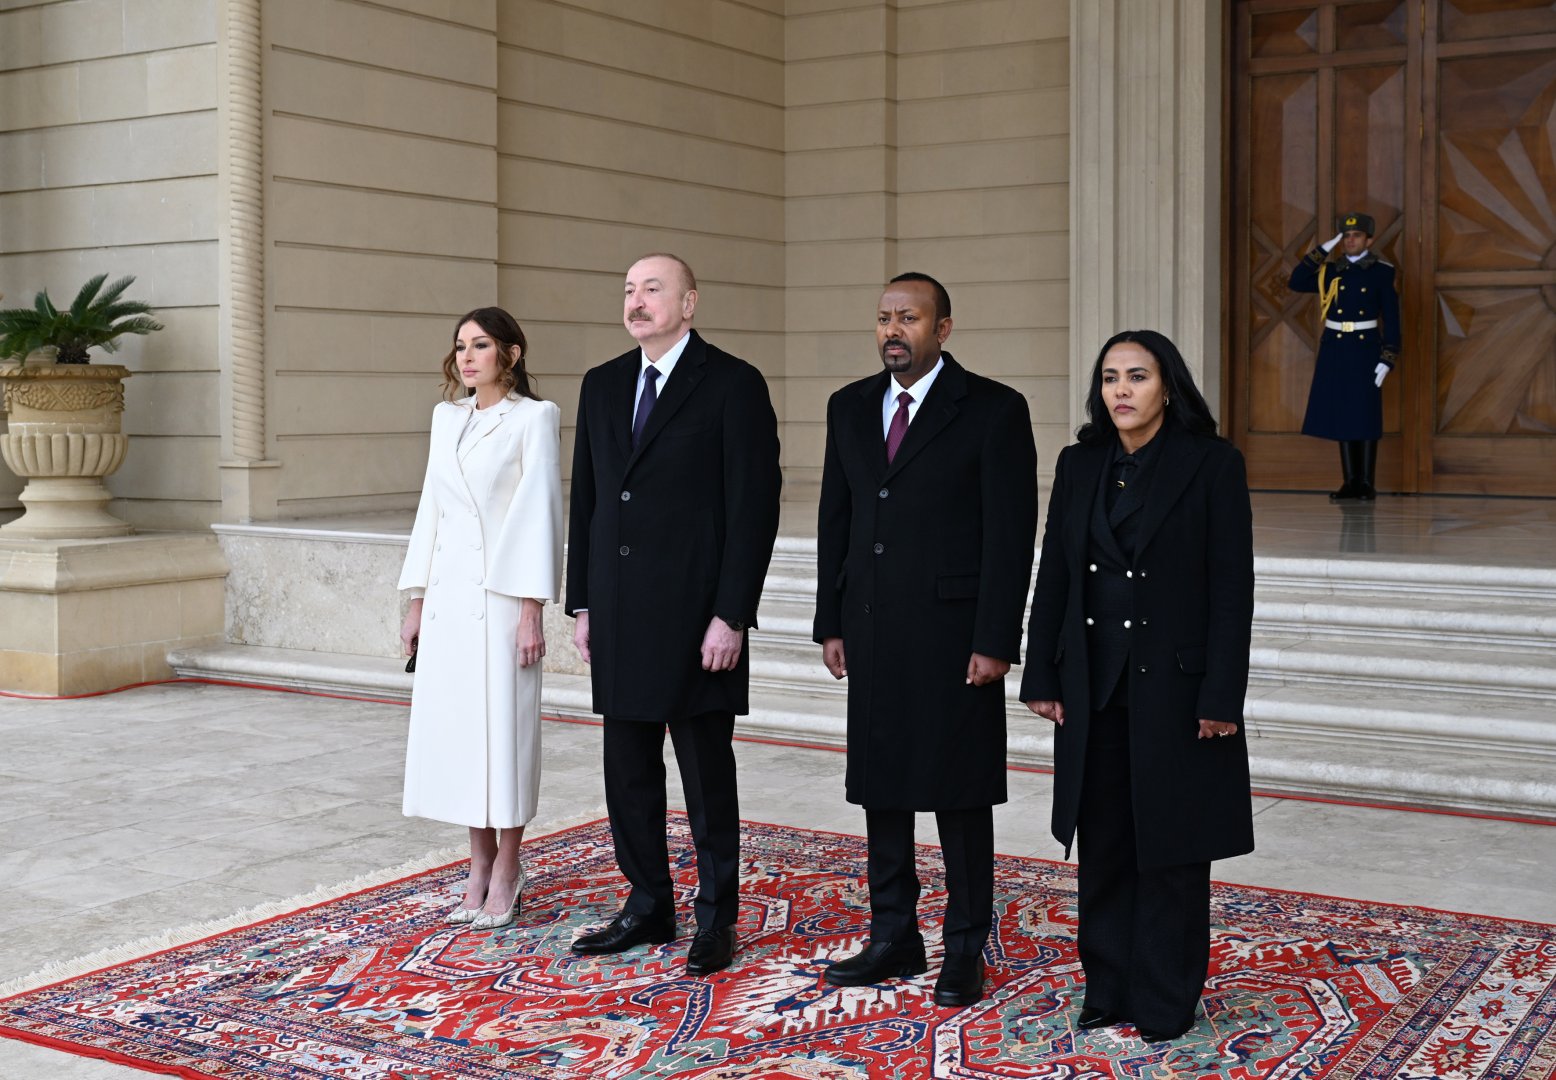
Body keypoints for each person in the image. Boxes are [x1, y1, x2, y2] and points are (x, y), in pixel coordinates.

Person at [1020, 329, 1255, 1042]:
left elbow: (1231, 587)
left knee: (1173, 850)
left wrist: (1221, 696)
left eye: (1138, 376)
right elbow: (1056, 573)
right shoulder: (1079, 462)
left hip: (1179, 693)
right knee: (1108, 846)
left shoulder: (1212, 464)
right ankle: (1109, 984)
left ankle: (1166, 996)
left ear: (1168, 386)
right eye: (1111, 376)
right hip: (1094, 687)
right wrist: (1041, 670)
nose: (1121, 389)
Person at [814, 272, 1038, 1009]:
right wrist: (831, 619)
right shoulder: (848, 408)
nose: (892, 330)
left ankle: (966, 943)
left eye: (908, 318)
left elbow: (1011, 537)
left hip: (954, 635)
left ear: (943, 329)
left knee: (960, 793)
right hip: (873, 628)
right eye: (883, 317)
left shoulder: (995, 411)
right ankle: (893, 934)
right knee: (883, 785)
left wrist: (996, 637)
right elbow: (835, 521)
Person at [566, 253, 782, 976]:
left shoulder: (732, 385)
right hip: (622, 615)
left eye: (652, 289)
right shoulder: (602, 385)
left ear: (689, 302)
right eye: (628, 289)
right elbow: (589, 503)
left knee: (705, 776)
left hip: (697, 622)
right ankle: (647, 903)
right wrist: (584, 601)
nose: (637, 300)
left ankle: (716, 919)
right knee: (626, 771)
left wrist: (733, 616)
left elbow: (754, 510)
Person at [397, 306, 564, 931]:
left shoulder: (534, 419)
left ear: (511, 355)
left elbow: (539, 514)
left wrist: (530, 612)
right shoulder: (446, 420)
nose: (468, 357)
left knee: (505, 733)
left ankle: (510, 864)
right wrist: (415, 600)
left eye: (482, 345)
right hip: (447, 602)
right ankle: (478, 859)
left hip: (500, 603)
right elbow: (429, 512)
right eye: (461, 346)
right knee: (464, 736)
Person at [1287, 212, 1401, 500]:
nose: (1350, 240)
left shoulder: (1381, 272)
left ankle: (1366, 483)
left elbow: (1392, 317)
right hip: (1336, 347)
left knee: (1365, 413)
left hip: (1365, 348)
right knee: (1343, 412)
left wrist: (1388, 356)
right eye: (1346, 236)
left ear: (1369, 239)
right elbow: (1297, 281)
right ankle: (1350, 481)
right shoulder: (1331, 271)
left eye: (1357, 236)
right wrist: (1322, 249)